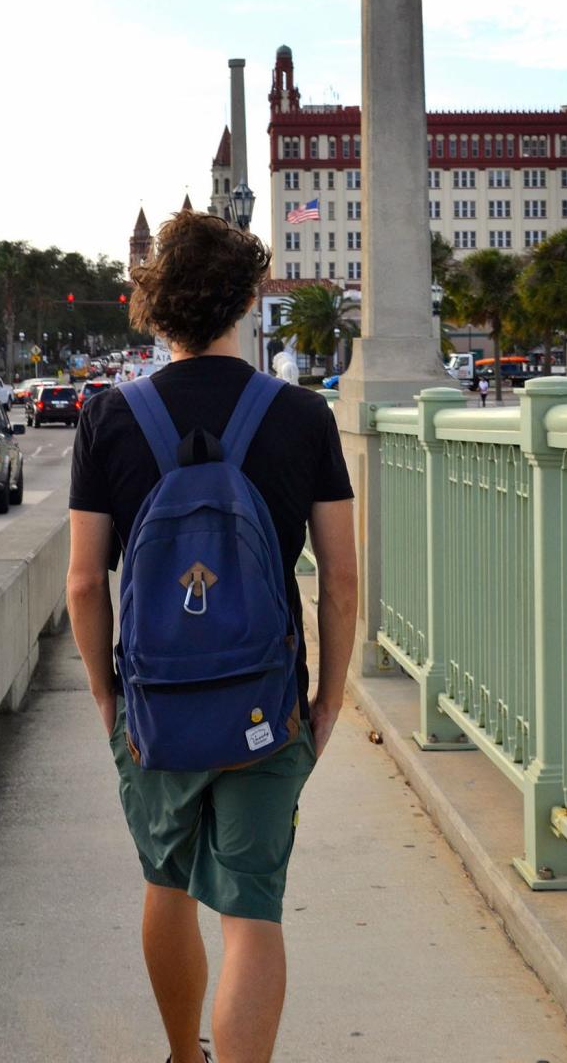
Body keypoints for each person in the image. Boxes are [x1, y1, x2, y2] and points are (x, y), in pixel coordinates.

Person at [66, 211, 358, 1063]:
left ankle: (182, 1056)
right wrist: (329, 699)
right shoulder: (303, 415)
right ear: (249, 300)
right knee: (253, 911)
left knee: (166, 883)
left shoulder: (112, 417)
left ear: (155, 311)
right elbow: (340, 579)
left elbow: (86, 582)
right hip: (267, 705)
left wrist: (105, 696)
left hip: (155, 710)